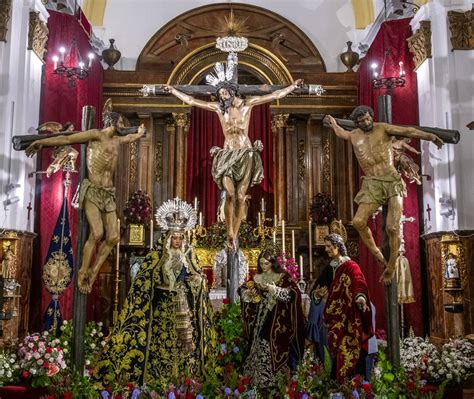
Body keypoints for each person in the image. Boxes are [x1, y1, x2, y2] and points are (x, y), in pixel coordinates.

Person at [164, 74, 303, 249]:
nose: (222, 96)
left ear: (232, 91)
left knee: (239, 197)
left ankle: (233, 234)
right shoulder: (219, 109)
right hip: (228, 154)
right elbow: (192, 101)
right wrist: (174, 91)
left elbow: (273, 96)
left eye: (224, 92)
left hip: (245, 154)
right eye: (220, 93)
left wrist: (291, 87)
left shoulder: (248, 105)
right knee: (229, 194)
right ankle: (229, 230)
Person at [25, 100, 146, 294]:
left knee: (113, 236)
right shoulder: (95, 135)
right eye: (122, 125)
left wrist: (139, 133)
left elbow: (130, 138)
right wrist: (42, 142)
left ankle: (93, 270)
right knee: (97, 233)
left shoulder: (117, 140)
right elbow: (67, 139)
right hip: (93, 190)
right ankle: (83, 271)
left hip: (108, 193)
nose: (123, 129)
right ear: (114, 124)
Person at [96, 198, 217, 385]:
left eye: (180, 238)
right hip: (162, 311)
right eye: (174, 237)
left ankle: (186, 380)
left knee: (184, 345)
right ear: (168, 238)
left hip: (184, 310)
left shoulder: (190, 256)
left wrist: (196, 281)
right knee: (161, 346)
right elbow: (145, 280)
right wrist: (158, 282)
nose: (177, 241)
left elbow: (200, 279)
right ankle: (158, 379)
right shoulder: (157, 256)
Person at [324, 106, 444, 283]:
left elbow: (408, 130)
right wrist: (333, 122)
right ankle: (380, 256)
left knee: (392, 228)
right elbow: (340, 132)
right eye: (361, 120)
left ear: (371, 117)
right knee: (358, 221)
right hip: (372, 183)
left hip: (392, 180)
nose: (366, 122)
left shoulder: (383, 128)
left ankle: (391, 266)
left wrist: (431, 137)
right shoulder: (353, 135)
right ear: (356, 123)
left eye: (367, 118)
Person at [239, 246, 305, 392]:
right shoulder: (257, 277)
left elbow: (294, 294)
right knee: (256, 343)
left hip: (277, 318)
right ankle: (255, 379)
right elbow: (243, 288)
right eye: (261, 263)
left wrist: (275, 290)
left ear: (273, 263)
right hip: (259, 317)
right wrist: (248, 294)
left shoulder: (283, 277)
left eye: (266, 264)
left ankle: (272, 380)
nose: (263, 266)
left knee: (268, 342)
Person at [322, 233, 373, 382]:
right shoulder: (333, 267)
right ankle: (339, 386)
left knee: (350, 352)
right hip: (338, 320)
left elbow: (359, 282)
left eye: (328, 246)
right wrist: (318, 295)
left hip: (350, 319)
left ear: (337, 246)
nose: (326, 249)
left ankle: (355, 387)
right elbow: (321, 286)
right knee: (338, 353)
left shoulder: (351, 266)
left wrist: (360, 297)